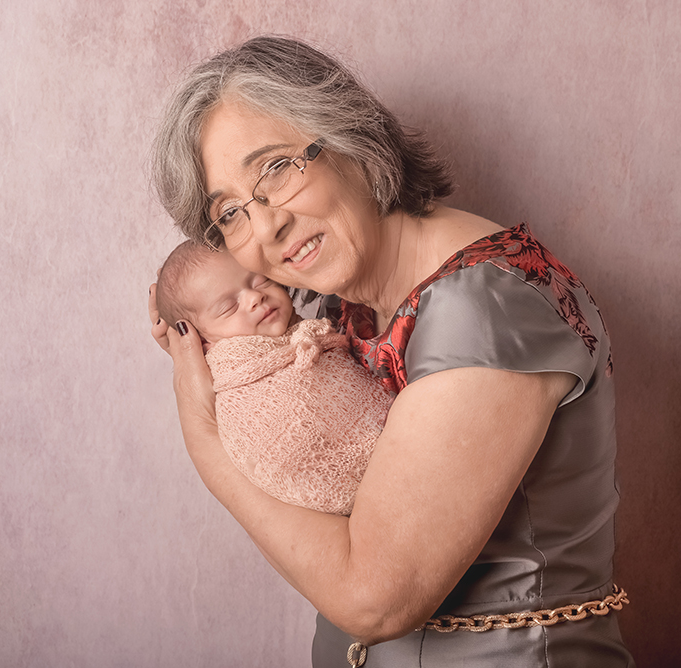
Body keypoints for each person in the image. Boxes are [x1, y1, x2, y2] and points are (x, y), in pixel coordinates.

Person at [148, 35, 634, 667]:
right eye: (231, 213)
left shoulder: (484, 307)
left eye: (274, 168)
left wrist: (205, 438)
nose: (266, 226)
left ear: (348, 136)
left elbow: (375, 600)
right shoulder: (330, 307)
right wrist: (226, 360)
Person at [154, 240, 392, 515]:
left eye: (261, 282)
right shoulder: (237, 383)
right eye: (228, 308)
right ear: (202, 341)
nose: (255, 298)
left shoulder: (304, 332)